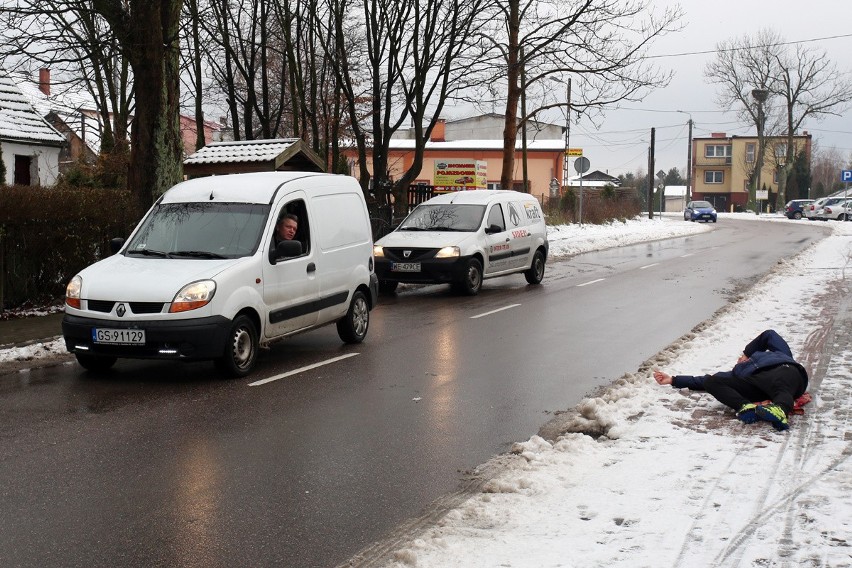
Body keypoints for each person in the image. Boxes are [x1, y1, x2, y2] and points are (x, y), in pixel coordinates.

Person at [653, 329, 808, 431]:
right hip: (755, 386)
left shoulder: (780, 355)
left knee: (781, 385)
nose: (739, 359)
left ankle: (780, 410)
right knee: (712, 381)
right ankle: (745, 407)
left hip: (786, 372)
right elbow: (704, 381)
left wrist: (747, 353)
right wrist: (673, 380)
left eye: (741, 358)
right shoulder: (737, 373)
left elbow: (769, 335)